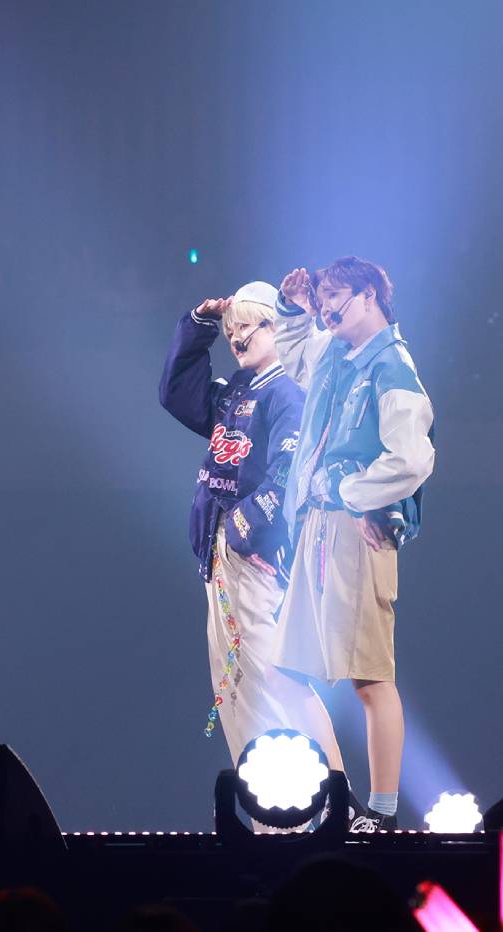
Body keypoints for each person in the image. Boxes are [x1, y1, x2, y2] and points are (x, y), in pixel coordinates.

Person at [272, 256, 435, 832]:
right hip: (318, 528)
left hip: (355, 529)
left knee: (369, 678)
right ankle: (341, 798)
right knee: (285, 670)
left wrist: (354, 493)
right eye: (321, 299)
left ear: (369, 295)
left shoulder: (392, 365)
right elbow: (297, 356)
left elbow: (413, 458)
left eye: (335, 296)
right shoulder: (338, 354)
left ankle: (383, 816)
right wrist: (292, 309)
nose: (325, 309)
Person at [157, 281, 343, 776]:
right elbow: (175, 394)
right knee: (234, 685)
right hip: (218, 555)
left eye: (247, 326)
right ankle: (265, 804)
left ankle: (336, 793)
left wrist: (244, 525)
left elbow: (290, 472)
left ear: (275, 326)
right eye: (230, 330)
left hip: (255, 555)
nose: (236, 337)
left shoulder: (288, 394)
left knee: (275, 675)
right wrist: (198, 327)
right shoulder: (235, 392)